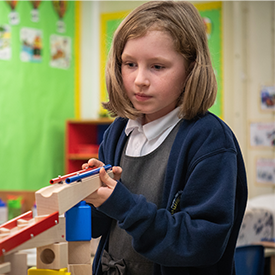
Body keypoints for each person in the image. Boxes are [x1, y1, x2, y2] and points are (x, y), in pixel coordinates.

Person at [83, 1, 247, 274]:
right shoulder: (117, 131)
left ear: (191, 69)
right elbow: (99, 226)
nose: (139, 80)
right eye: (130, 64)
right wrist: (91, 196)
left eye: (157, 67)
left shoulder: (210, 140)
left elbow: (201, 243)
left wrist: (124, 206)